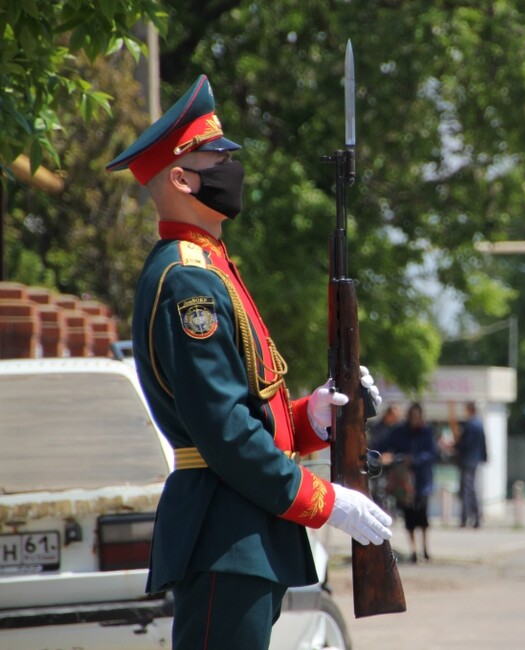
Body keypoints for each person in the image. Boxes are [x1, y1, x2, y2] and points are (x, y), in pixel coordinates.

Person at [106, 75, 392, 650]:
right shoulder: (189, 277)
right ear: (183, 178)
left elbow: (247, 406)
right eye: (218, 158)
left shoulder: (208, 266)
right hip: (225, 531)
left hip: (243, 530)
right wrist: (327, 502)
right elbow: (227, 434)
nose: (231, 169)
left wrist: (315, 417)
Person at [379, 402, 438, 563]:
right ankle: (413, 550)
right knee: (409, 516)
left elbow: (432, 453)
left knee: (423, 515)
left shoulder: (427, 431)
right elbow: (383, 445)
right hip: (404, 482)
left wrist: (415, 459)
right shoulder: (400, 431)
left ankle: (425, 549)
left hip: (422, 480)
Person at [450, 401, 489, 528]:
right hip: (475, 460)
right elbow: (483, 442)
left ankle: (466, 518)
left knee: (467, 489)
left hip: (467, 459)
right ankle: (476, 517)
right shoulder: (479, 424)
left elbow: (465, 444)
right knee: (471, 489)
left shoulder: (470, 425)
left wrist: (454, 445)